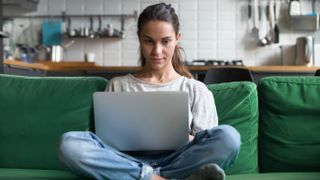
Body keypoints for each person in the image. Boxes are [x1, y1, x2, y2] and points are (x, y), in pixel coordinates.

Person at [58, 3, 241, 180]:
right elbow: (107, 144)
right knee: (69, 144)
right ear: (139, 38)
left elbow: (205, 143)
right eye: (149, 41)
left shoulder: (195, 89)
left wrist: (177, 136)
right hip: (126, 161)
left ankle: (144, 177)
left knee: (229, 137)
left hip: (179, 160)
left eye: (165, 41)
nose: (157, 51)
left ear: (177, 38)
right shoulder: (119, 86)